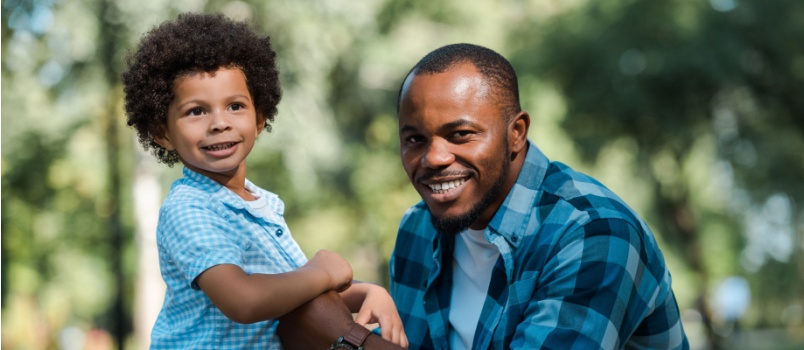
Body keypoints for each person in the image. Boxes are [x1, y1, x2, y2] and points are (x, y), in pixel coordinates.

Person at [279, 43, 689, 349]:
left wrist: (349, 340)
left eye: (460, 135)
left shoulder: (594, 233)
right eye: (415, 139)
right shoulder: (418, 231)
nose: (434, 158)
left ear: (517, 133)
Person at [121, 13, 407, 349]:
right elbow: (244, 300)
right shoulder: (189, 208)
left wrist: (369, 292)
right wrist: (322, 272)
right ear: (162, 133)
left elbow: (292, 289)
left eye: (235, 106)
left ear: (259, 119)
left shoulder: (261, 205)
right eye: (196, 111)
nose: (219, 123)